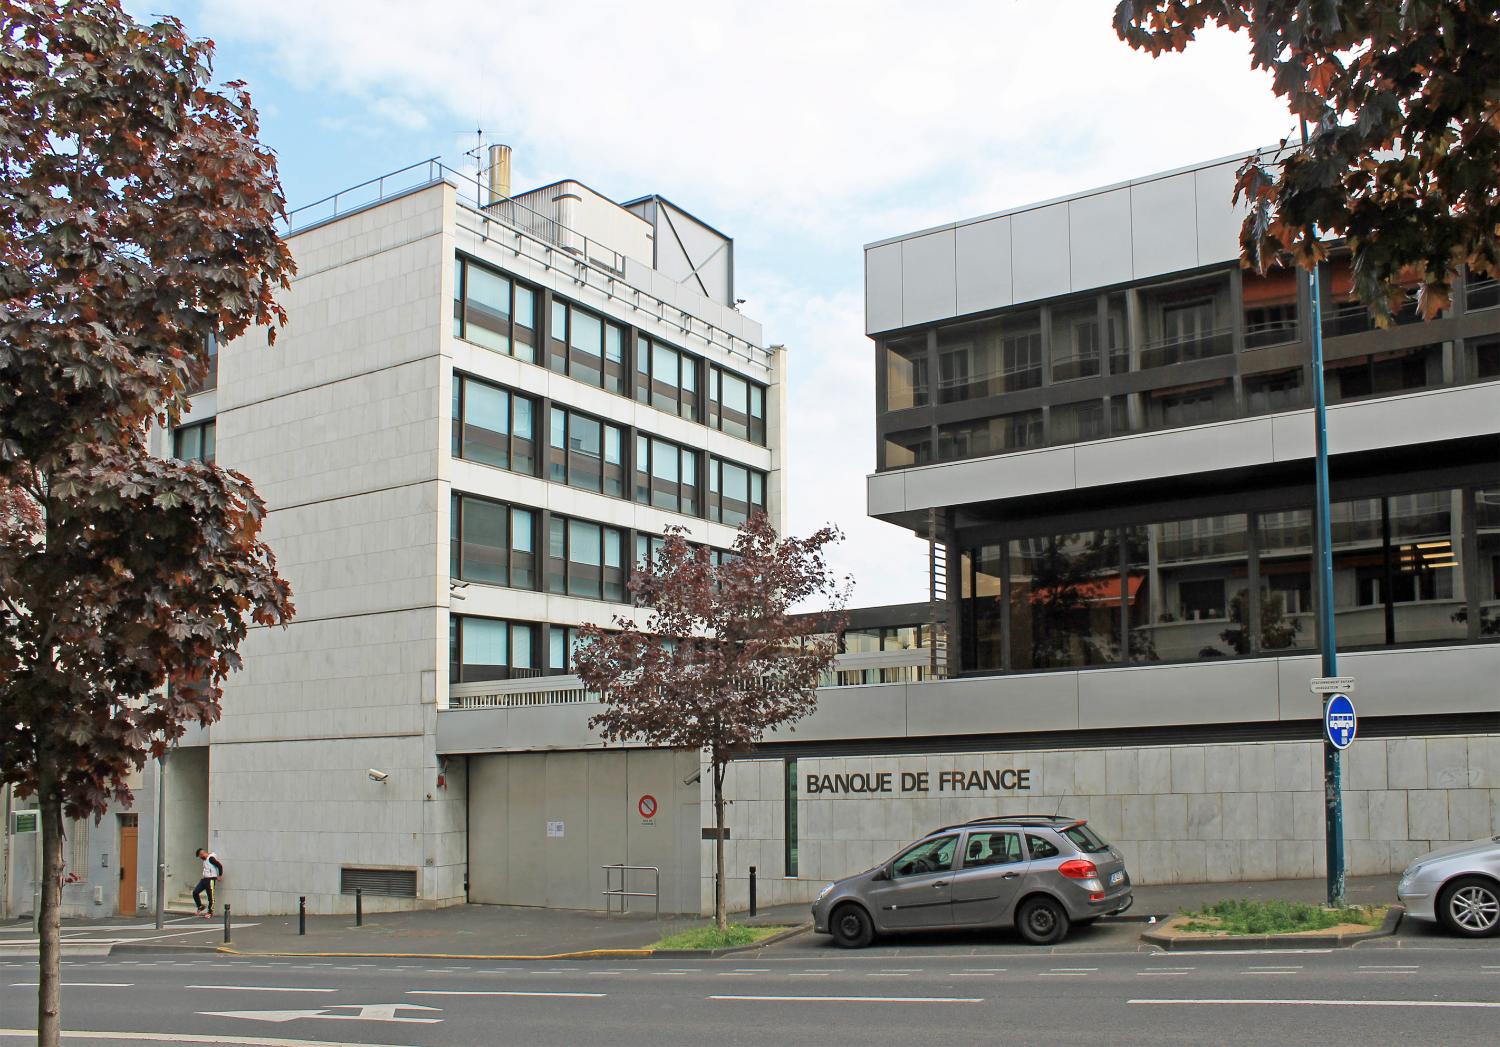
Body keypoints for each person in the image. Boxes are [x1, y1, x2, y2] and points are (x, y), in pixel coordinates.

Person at [192, 847, 223, 918]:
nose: (200, 858)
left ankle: (210, 912)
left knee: (210, 896)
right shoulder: (205, 860)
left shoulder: (211, 859)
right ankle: (200, 906)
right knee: (195, 892)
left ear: (202, 854)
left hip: (211, 879)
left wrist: (220, 876)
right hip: (204, 879)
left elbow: (219, 866)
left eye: (200, 856)